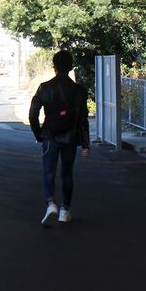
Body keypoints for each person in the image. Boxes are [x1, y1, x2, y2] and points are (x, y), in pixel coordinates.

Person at [28, 49, 90, 226]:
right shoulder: (79, 91)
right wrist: (86, 144)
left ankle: (50, 203)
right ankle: (65, 210)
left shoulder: (45, 87)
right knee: (67, 173)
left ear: (54, 67)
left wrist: (38, 133)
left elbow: (33, 113)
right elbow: (83, 119)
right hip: (70, 137)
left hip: (50, 136)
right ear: (71, 67)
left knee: (49, 171)